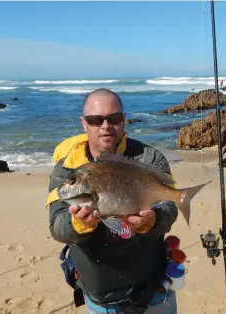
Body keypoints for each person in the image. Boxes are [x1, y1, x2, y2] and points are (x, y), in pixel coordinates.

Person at [46, 88, 179, 314]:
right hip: (101, 300)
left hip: (154, 290)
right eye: (96, 120)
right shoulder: (67, 169)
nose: (105, 126)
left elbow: (169, 208)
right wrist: (79, 224)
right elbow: (57, 227)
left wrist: (152, 221)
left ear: (124, 120)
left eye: (114, 118)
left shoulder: (149, 158)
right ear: (84, 123)